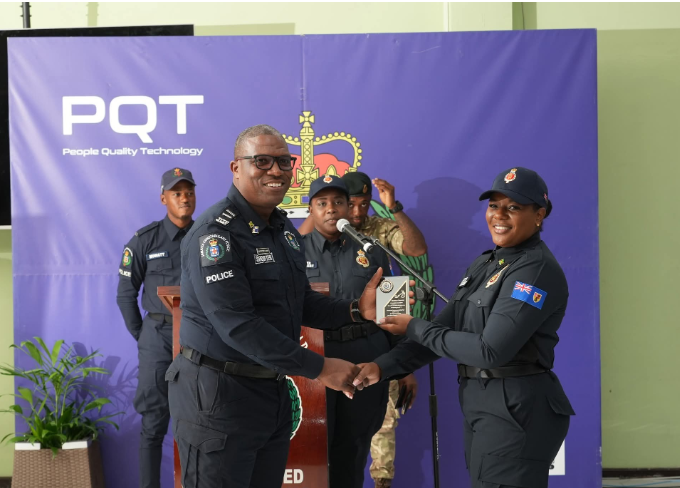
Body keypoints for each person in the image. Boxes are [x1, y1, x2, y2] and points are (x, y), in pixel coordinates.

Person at [166, 125, 411, 488]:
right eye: (262, 161)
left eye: (284, 162)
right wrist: (320, 368)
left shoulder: (283, 230)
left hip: (272, 392)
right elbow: (238, 325)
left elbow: (300, 302)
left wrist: (356, 309)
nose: (276, 170)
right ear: (236, 168)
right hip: (219, 397)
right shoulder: (215, 234)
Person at [355, 167, 576, 488]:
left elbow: (489, 351)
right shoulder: (486, 263)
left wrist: (413, 326)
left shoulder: (534, 271)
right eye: (494, 205)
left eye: (513, 207)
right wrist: (380, 367)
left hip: (517, 409)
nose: (499, 215)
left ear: (539, 215)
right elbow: (443, 328)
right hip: (482, 404)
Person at [302, 170, 426, 488]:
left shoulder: (372, 250)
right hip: (315, 362)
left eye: (338, 202)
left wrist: (402, 366)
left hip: (365, 359)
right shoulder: (294, 252)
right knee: (312, 452)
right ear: (311, 209)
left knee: (354, 450)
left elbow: (391, 314)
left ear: (349, 207)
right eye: (322, 203)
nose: (331, 209)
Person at [116, 167, 197, 488]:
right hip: (158, 337)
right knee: (153, 423)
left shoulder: (209, 237)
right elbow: (125, 294)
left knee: (199, 422)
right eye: (177, 193)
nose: (184, 198)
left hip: (199, 336)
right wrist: (145, 337)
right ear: (164, 198)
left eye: (189, 192)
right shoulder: (144, 240)